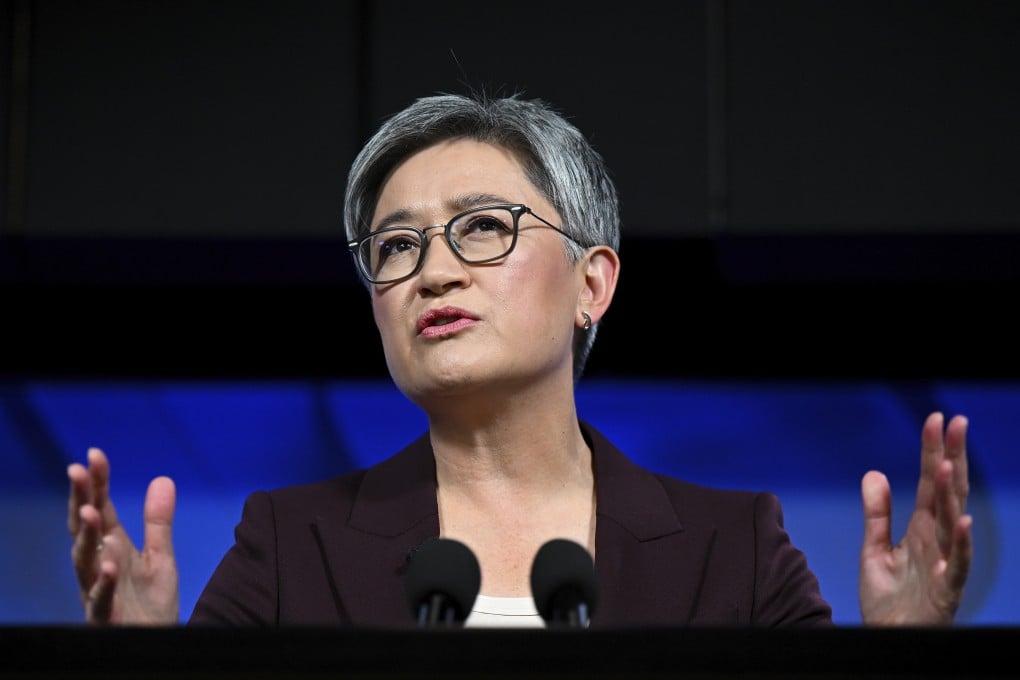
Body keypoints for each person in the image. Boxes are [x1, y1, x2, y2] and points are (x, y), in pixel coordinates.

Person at [67, 91, 973, 628]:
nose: (434, 272)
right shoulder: (287, 547)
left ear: (594, 282)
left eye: (483, 229)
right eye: (395, 246)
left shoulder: (731, 552)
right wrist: (139, 666)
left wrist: (899, 663)